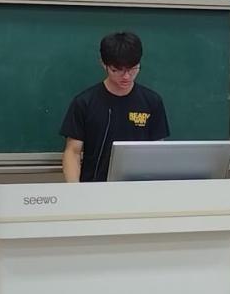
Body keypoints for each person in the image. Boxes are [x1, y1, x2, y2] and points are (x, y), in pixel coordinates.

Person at [60, 32, 169, 182]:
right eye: (117, 70)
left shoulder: (152, 102)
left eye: (133, 69)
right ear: (103, 64)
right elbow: (73, 152)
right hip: (95, 187)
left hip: (139, 187)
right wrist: (75, 190)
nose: (126, 76)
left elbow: (157, 152)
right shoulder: (84, 102)